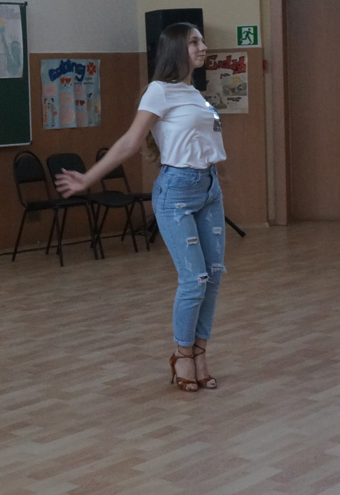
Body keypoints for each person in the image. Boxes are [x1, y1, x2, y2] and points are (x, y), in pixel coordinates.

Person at [55, 23, 225, 393]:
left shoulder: (195, 93)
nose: (203, 46)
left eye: (201, 40)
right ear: (176, 49)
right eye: (194, 42)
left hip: (209, 188)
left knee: (213, 276)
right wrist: (88, 178)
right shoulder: (158, 91)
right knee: (194, 280)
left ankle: (200, 353)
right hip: (176, 191)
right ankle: (182, 354)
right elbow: (130, 142)